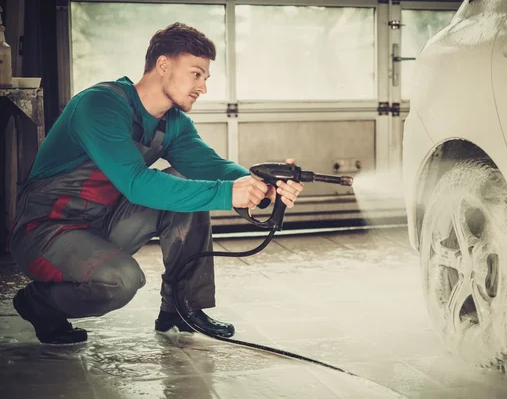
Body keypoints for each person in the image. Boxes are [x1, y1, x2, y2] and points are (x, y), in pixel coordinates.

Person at [9, 22, 304, 345]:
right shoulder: (100, 105)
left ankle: (180, 309)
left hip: (104, 224)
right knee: (122, 281)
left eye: (206, 78)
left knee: (187, 182)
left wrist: (263, 186)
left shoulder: (174, 124)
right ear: (163, 65)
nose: (203, 87)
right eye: (196, 74)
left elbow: (213, 168)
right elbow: (136, 184)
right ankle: (38, 303)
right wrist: (229, 193)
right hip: (47, 231)